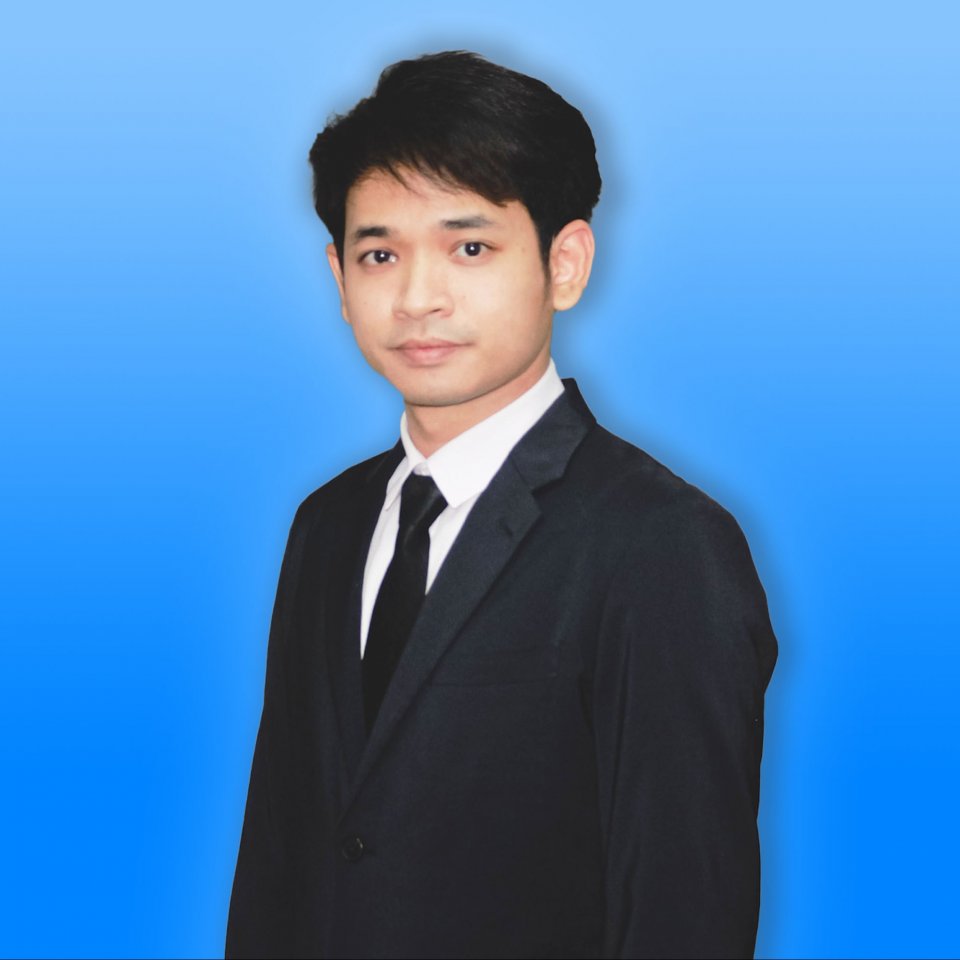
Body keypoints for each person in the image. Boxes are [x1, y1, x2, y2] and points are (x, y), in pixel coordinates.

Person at [225, 50, 778, 960]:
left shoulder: (663, 545)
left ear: (566, 263)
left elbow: (684, 909)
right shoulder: (325, 525)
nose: (418, 299)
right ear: (339, 278)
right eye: (379, 254)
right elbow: (279, 860)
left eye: (470, 247)